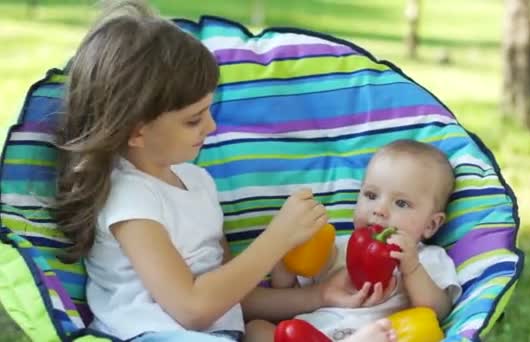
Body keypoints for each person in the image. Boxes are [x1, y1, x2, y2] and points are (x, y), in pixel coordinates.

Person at [54, 1, 397, 341]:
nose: (211, 126)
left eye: (208, 111)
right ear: (135, 130)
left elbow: (233, 295)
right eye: (193, 120)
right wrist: (277, 239)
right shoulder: (129, 196)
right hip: (153, 334)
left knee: (263, 334)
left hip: (218, 334)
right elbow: (192, 307)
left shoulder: (198, 182)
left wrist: (318, 296)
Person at [271, 139, 462, 341]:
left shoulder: (427, 258)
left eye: (401, 203)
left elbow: (438, 311)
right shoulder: (335, 247)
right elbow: (284, 288)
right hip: (311, 335)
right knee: (258, 329)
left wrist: (412, 269)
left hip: (377, 336)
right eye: (371, 195)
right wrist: (284, 248)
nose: (379, 210)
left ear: (431, 225)